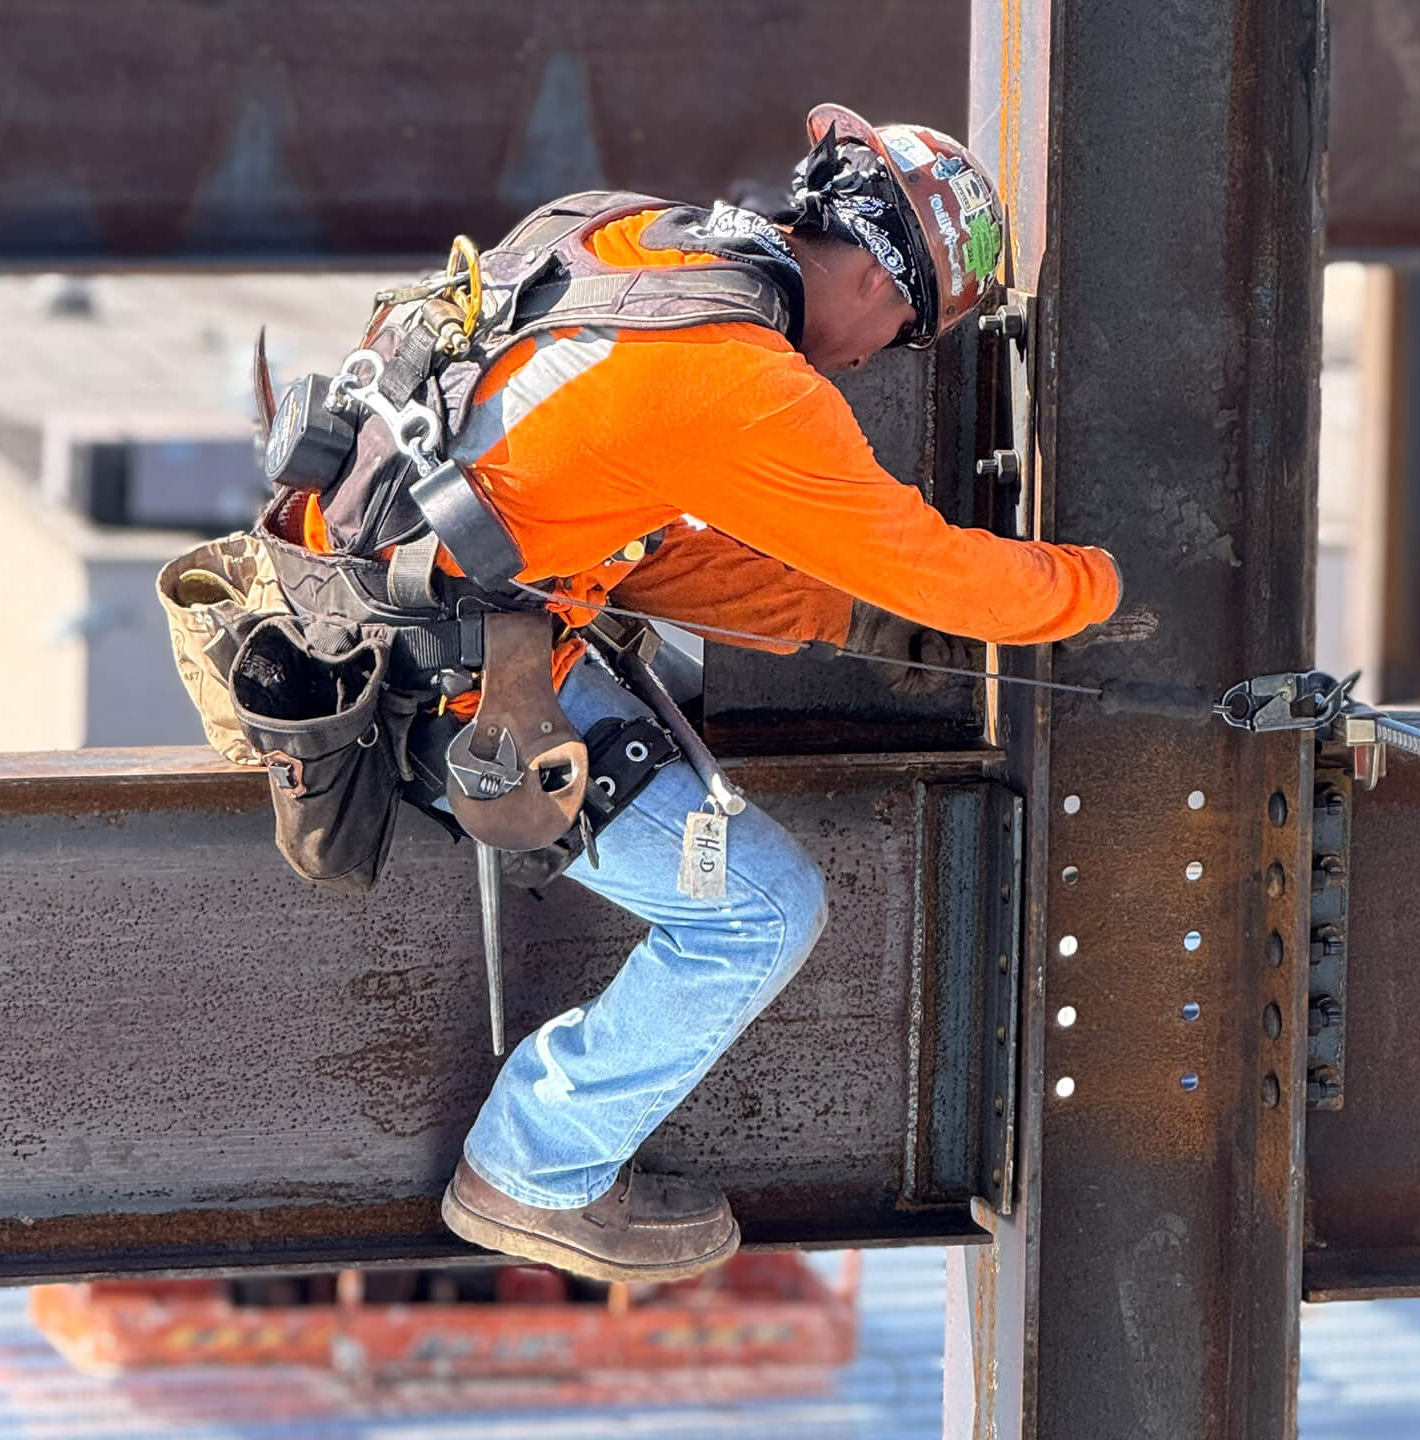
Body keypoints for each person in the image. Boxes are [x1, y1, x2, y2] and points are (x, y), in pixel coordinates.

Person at [286, 105, 1124, 1282]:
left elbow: (627, 539)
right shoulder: (749, 384)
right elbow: (959, 579)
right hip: (438, 685)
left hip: (362, 603)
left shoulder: (629, 239)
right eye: (903, 331)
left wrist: (841, 616)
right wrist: (1103, 585)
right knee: (762, 911)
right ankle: (530, 1169)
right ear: (879, 283)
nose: (876, 356)